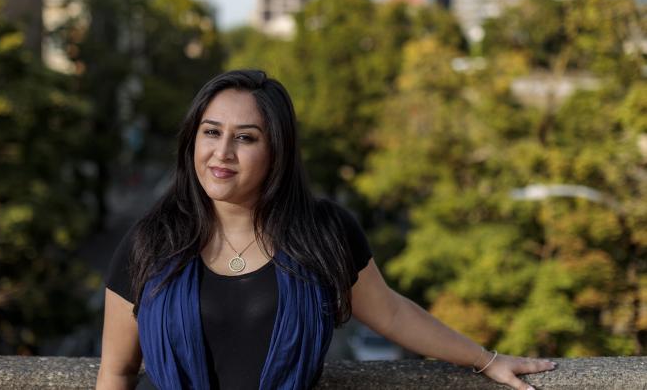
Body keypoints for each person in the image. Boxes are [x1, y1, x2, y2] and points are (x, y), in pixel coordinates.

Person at [97, 70, 555, 390]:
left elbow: (392, 314)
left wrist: (486, 359)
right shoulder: (149, 242)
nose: (223, 153)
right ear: (192, 140)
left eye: (246, 137)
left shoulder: (323, 231)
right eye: (211, 132)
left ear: (277, 150)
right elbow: (117, 373)